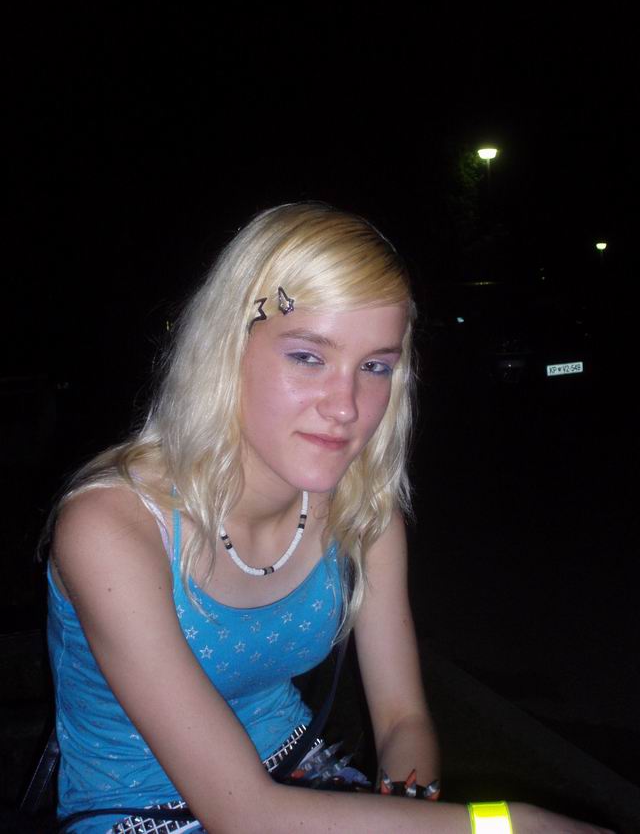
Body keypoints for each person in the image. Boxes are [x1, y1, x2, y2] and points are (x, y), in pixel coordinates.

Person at [47, 202, 613, 833]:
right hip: (139, 813)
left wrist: (406, 804)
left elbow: (402, 719)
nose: (346, 406)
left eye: (374, 367)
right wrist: (506, 825)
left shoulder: (362, 514)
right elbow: (247, 816)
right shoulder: (113, 528)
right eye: (308, 357)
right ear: (225, 350)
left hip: (300, 774)